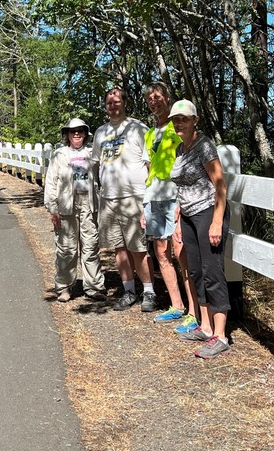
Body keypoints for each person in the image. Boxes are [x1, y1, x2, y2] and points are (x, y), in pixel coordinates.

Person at [169, 100, 231, 359]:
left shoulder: (204, 145)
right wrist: (179, 217)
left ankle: (221, 335)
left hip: (208, 213)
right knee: (195, 271)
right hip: (189, 216)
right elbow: (183, 188)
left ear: (196, 119)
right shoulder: (181, 149)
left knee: (211, 271)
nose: (179, 123)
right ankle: (205, 327)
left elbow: (220, 185)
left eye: (184, 118)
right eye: (175, 119)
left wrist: (216, 221)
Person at [92, 87, 156, 312]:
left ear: (125, 103)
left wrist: (147, 200)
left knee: (138, 248)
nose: (113, 105)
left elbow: (150, 165)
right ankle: (129, 291)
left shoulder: (138, 129)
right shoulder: (100, 132)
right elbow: (97, 164)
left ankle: (149, 292)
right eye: (109, 102)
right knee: (118, 248)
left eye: (117, 101)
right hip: (108, 198)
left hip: (133, 197)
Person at [141, 83, 198, 333]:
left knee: (182, 253)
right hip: (154, 196)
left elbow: (188, 162)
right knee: (161, 253)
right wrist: (146, 200)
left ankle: (195, 311)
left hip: (176, 197)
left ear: (167, 98)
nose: (154, 102)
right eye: (150, 99)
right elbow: (148, 167)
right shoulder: (150, 133)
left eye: (158, 97)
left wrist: (182, 201)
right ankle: (176, 305)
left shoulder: (179, 128)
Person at [44, 118, 106, 303]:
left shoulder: (92, 154)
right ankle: (64, 287)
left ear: (86, 133)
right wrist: (52, 208)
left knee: (90, 246)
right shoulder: (59, 155)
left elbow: (103, 176)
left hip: (88, 203)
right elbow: (51, 182)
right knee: (66, 248)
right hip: (65, 205)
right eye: (73, 131)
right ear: (67, 135)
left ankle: (94, 287)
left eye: (80, 130)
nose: (76, 134)